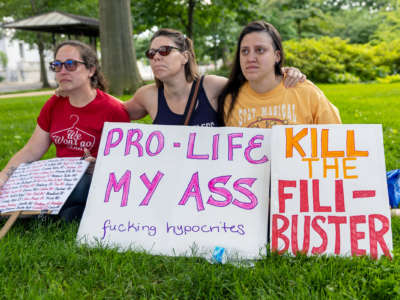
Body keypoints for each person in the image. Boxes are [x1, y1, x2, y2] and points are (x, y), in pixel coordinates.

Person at [0, 40, 130, 222]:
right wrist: (4, 176)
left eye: (71, 65)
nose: (62, 71)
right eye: (57, 65)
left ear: (91, 70)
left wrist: (100, 165)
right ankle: (60, 212)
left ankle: (43, 212)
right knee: (21, 178)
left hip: (91, 180)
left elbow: (125, 164)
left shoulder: (113, 110)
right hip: (59, 179)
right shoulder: (54, 104)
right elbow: (31, 150)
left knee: (82, 185)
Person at [124, 28, 306, 126]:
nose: (156, 57)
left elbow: (257, 84)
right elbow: (109, 112)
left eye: (164, 51)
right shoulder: (147, 96)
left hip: (214, 189)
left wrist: (284, 71)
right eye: (151, 53)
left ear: (185, 57)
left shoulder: (211, 86)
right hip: (174, 188)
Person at [219, 21, 341, 128]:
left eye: (260, 50)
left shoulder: (307, 93)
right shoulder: (230, 101)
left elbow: (336, 140)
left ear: (277, 56)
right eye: (245, 51)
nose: (250, 58)